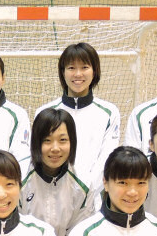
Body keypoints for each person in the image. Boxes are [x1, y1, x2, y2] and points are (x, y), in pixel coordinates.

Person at [20, 108, 93, 236]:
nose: (55, 148)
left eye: (62, 140)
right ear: (36, 143)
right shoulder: (17, 179)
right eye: (47, 140)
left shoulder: (83, 185)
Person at [35, 42, 121, 185]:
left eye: (84, 67)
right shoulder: (44, 112)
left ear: (94, 71)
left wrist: (87, 189)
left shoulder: (109, 112)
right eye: (71, 68)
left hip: (94, 192)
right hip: (53, 190)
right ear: (63, 72)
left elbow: (107, 158)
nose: (78, 74)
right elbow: (39, 156)